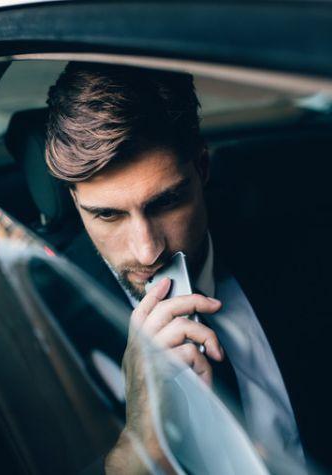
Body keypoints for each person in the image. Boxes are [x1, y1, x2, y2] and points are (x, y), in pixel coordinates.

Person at [44, 62, 305, 473]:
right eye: (108, 215)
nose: (148, 251)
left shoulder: (295, 244)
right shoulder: (39, 319)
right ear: (75, 202)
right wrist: (139, 445)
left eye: (165, 202)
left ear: (202, 168)